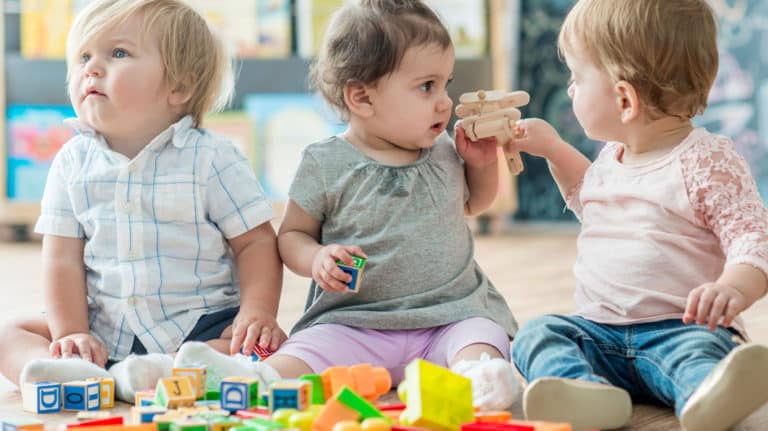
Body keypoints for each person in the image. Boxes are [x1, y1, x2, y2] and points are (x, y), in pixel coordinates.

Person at [173, 0, 520, 411]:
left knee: (482, 334)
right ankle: (249, 378)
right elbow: (292, 236)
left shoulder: (443, 148)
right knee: (307, 353)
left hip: (447, 317)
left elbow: (474, 204)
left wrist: (481, 165)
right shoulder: (326, 162)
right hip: (354, 324)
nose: (445, 101)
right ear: (361, 97)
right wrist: (317, 257)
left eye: (446, 83)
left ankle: (480, 378)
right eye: (427, 86)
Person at [0, 0, 286, 402]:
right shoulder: (71, 162)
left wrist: (257, 313)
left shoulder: (211, 158)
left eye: (118, 53)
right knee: (9, 334)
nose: (91, 68)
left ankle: (164, 370)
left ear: (179, 87)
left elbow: (256, 242)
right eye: (84, 56)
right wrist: (71, 333)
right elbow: (61, 257)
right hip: (105, 329)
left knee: (261, 348)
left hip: (197, 326)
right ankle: (78, 373)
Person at [508, 0, 768, 430]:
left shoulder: (705, 161)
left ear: (625, 99)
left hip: (681, 331)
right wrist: (554, 148)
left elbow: (753, 238)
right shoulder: (613, 158)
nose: (570, 89)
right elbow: (589, 197)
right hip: (599, 334)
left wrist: (732, 288)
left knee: (697, 356)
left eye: (576, 78)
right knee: (539, 333)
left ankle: (709, 394)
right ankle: (585, 393)